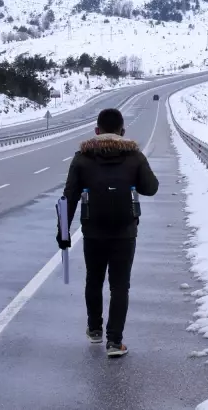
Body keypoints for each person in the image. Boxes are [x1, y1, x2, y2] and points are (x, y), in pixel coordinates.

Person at [57, 108, 159, 358]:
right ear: (123, 132)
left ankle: (94, 329)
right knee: (120, 286)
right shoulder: (134, 156)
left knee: (94, 279)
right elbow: (151, 188)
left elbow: (68, 197)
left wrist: (63, 232)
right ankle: (115, 342)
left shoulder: (82, 158)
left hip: (93, 231)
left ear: (97, 131)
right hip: (125, 232)